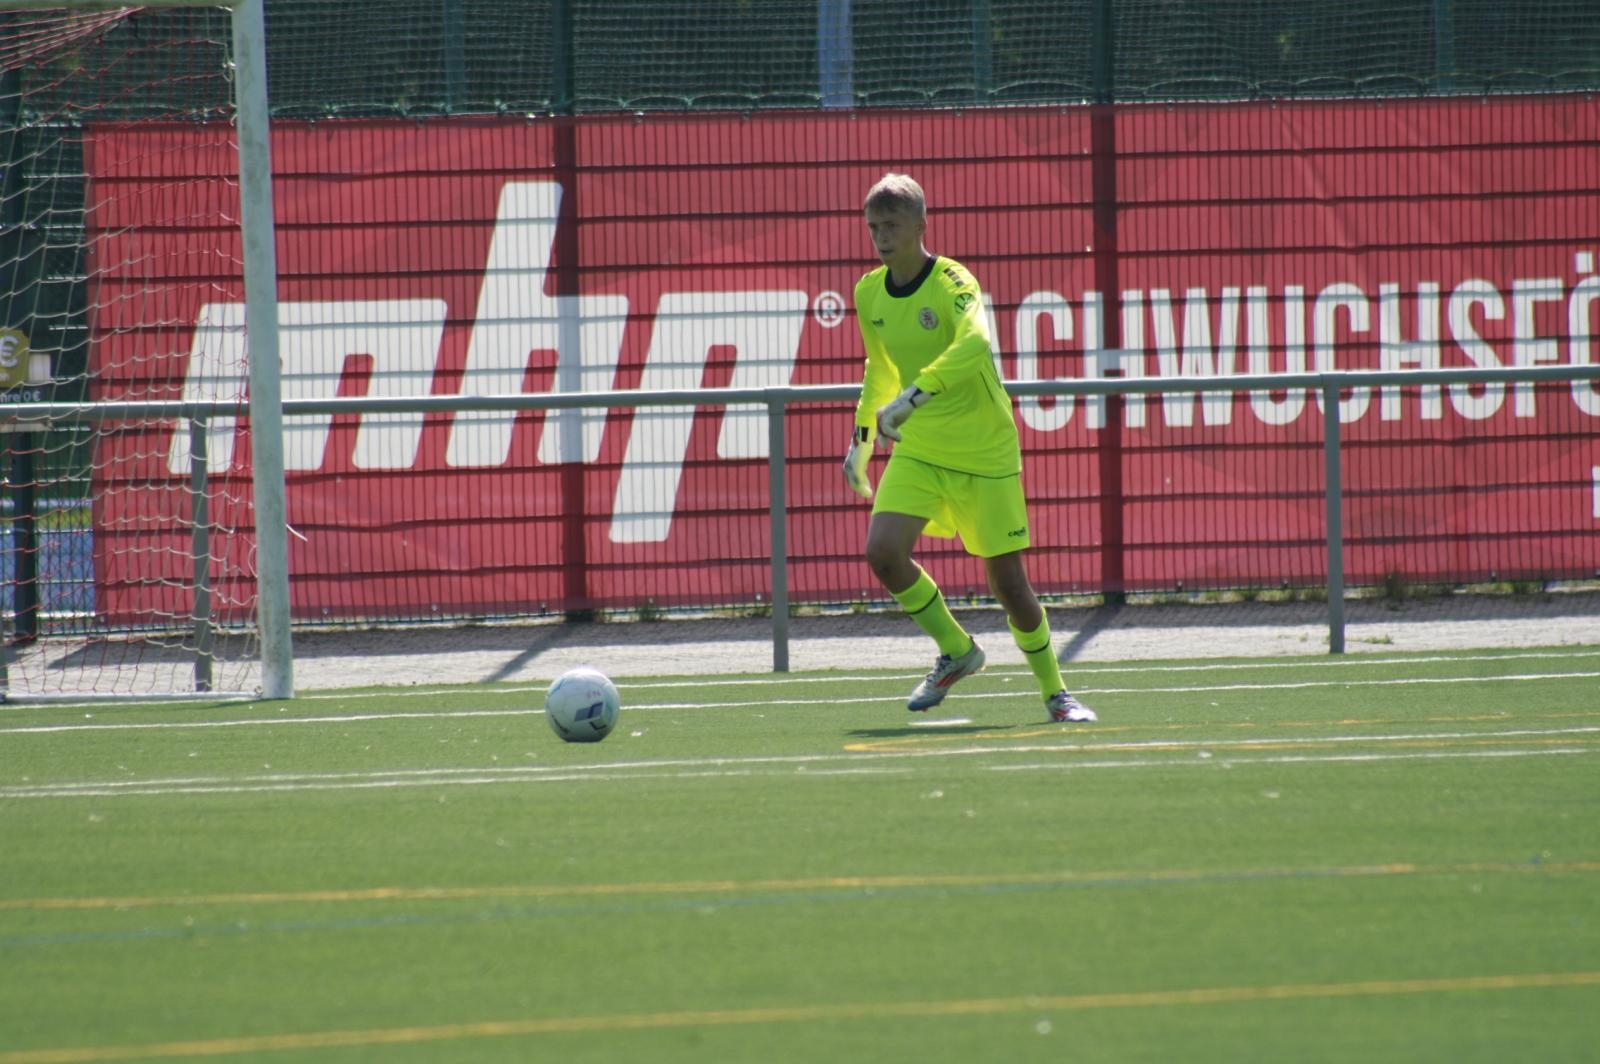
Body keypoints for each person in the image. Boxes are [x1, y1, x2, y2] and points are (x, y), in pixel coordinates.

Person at [842, 172, 1095, 724]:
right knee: (883, 551)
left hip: (984, 450)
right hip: (920, 448)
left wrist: (913, 396)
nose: (882, 237)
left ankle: (1056, 692)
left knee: (1009, 585)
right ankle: (957, 651)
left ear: (920, 225)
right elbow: (879, 368)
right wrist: (862, 440)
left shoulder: (953, 281)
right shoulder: (868, 292)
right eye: (874, 226)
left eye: (892, 225)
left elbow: (976, 342)